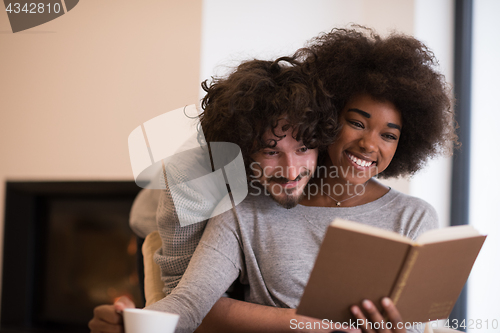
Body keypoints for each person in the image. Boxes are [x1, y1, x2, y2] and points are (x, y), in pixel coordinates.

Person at [90, 26, 458, 333]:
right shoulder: (240, 206)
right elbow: (188, 301)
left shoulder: (415, 217)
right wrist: (132, 321)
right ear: (329, 122)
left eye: (389, 135)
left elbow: (423, 322)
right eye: (357, 122)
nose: (368, 143)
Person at [89, 55, 338, 333]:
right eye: (270, 152)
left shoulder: (323, 160)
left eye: (303, 149)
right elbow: (187, 304)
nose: (291, 172)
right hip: (160, 223)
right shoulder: (192, 178)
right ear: (242, 150)